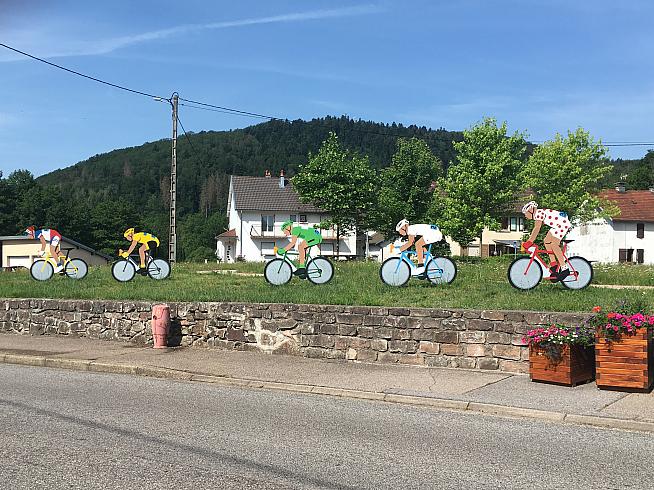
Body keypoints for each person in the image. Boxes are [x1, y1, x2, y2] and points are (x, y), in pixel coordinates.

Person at [521, 201, 571, 282]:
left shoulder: (538, 213)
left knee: (554, 244)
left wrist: (530, 242)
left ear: (531, 210)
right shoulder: (539, 213)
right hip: (557, 225)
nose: (525, 216)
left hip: (562, 224)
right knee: (546, 241)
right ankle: (554, 264)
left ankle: (565, 268)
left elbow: (537, 228)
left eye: (526, 213)